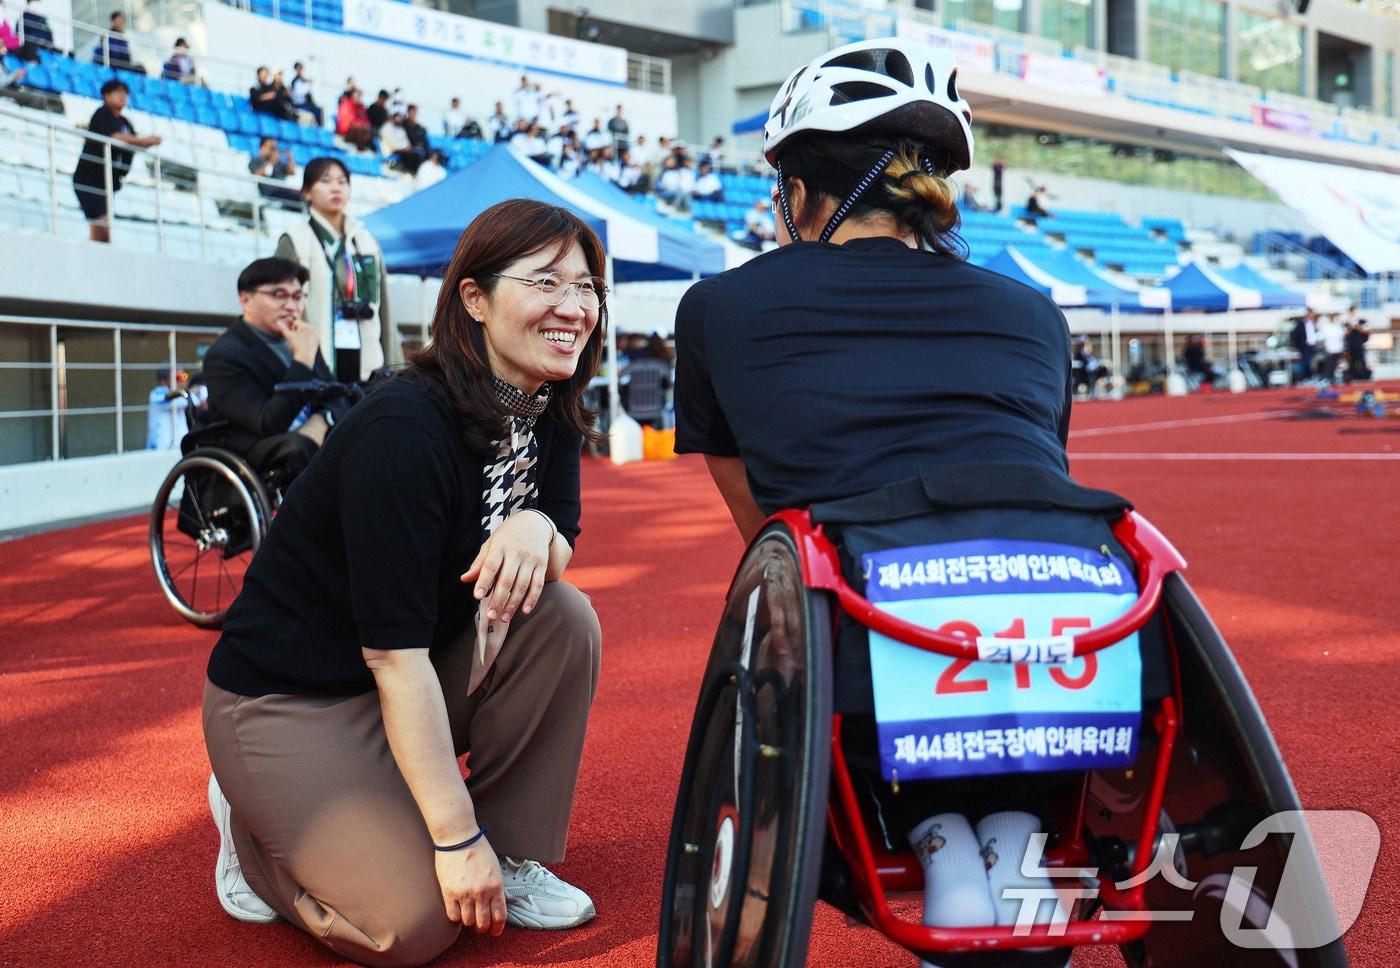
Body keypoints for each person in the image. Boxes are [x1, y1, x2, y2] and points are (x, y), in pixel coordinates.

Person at [674, 37, 1084, 942]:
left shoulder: (718, 307)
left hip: (867, 654)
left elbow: (762, 520)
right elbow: (1034, 483)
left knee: (833, 582)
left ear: (803, 192)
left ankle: (928, 834)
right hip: (1070, 649)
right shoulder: (1036, 312)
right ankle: (1013, 829)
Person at [202, 200, 606, 965]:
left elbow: (561, 528)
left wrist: (537, 528)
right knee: (414, 928)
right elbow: (394, 657)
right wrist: (452, 839)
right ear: (475, 299)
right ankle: (253, 832)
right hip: (292, 698)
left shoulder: (543, 398)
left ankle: (511, 853)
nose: (574, 307)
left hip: (402, 671)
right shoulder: (405, 430)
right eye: (547, 281)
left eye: (587, 287)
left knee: (562, 616)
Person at [200, 258, 347, 482]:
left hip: (308, 441)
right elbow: (267, 422)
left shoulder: (303, 338)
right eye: (279, 295)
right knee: (300, 448)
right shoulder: (224, 355)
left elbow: (337, 396)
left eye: (297, 297)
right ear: (245, 299)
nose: (291, 306)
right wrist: (302, 360)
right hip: (252, 451)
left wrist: (321, 421)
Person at [275, 157, 398, 383]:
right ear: (306, 193)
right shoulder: (295, 240)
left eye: (342, 182)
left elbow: (384, 308)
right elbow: (282, 310)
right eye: (325, 180)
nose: (336, 187)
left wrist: (394, 366)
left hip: (368, 367)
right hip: (317, 368)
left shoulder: (366, 241)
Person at [71, 78, 160, 243]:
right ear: (106, 95)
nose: (123, 96)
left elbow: (133, 142)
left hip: (106, 181)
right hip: (90, 179)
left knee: (99, 227)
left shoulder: (125, 122)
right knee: (102, 225)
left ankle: (93, 254)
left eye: (125, 93)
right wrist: (144, 140)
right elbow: (116, 137)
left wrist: (146, 142)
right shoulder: (102, 114)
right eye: (118, 92)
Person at [248, 136, 300, 206]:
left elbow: (292, 172)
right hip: (271, 193)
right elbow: (257, 175)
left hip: (283, 192)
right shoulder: (255, 161)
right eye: (272, 148)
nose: (274, 151)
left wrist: (289, 159)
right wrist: (271, 162)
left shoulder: (278, 163)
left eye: (275, 148)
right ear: (262, 147)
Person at [146, 368, 189, 450]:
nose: (183, 381)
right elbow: (181, 401)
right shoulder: (157, 394)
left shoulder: (183, 394)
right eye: (178, 378)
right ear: (164, 381)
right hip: (159, 449)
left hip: (178, 447)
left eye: (184, 377)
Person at [288, 62, 323, 127]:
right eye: (298, 69)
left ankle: (319, 129)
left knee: (318, 110)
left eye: (301, 69)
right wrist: (308, 84)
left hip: (304, 103)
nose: (300, 71)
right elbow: (300, 93)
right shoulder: (295, 81)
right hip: (298, 104)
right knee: (314, 112)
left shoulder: (303, 80)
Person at [1289, 310, 1318, 384]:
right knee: (1305, 362)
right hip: (1304, 346)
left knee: (1310, 362)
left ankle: (1310, 377)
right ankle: (1304, 378)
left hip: (1312, 346)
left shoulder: (1313, 323)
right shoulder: (1301, 324)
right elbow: (1294, 335)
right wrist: (1298, 345)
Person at [1317, 312, 1346, 384]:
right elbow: (1322, 337)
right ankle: (1326, 379)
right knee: (1329, 365)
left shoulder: (1339, 327)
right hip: (1330, 349)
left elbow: (1342, 337)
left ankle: (1333, 379)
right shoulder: (1327, 327)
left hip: (1338, 349)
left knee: (1336, 366)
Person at [1344, 306, 1370, 382]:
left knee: (1362, 361)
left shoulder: (1362, 320)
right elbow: (1345, 334)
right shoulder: (1346, 322)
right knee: (1351, 362)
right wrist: (1350, 329)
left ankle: (1364, 377)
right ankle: (1353, 377)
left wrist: (1357, 327)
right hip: (1350, 345)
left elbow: (1367, 331)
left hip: (1360, 344)